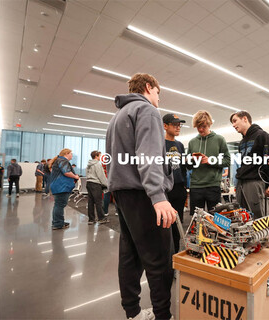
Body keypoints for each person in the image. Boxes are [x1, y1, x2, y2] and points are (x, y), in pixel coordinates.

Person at [107, 73, 176, 320]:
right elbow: (149, 157)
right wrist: (158, 196)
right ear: (149, 87)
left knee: (130, 255)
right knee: (159, 260)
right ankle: (162, 315)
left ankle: (133, 313)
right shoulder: (146, 111)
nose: (158, 97)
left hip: (123, 193)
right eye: (158, 91)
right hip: (143, 194)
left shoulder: (117, 117)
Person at [230, 110, 269, 218]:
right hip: (241, 183)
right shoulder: (241, 142)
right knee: (243, 218)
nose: (233, 125)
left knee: (256, 218)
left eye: (235, 121)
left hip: (254, 183)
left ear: (245, 119)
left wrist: (265, 184)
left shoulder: (262, 136)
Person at [187, 110, 230, 215]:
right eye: (198, 127)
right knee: (196, 220)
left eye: (204, 126)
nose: (201, 129)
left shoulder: (219, 139)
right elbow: (188, 166)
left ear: (209, 124)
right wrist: (192, 160)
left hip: (213, 185)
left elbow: (227, 161)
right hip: (196, 186)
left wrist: (210, 160)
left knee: (216, 219)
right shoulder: (192, 142)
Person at [163, 113, 187, 254]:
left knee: (177, 225)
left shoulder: (180, 145)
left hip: (179, 189)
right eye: (174, 125)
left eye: (179, 125)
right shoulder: (159, 144)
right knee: (165, 224)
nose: (178, 127)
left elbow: (183, 167)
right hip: (165, 190)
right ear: (165, 126)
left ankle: (174, 256)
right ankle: (164, 256)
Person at [49, 149, 79, 230]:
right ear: (66, 154)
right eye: (71, 154)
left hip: (59, 186)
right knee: (59, 205)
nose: (72, 156)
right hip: (62, 186)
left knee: (59, 204)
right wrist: (75, 176)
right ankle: (57, 224)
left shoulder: (59, 160)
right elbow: (66, 172)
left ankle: (58, 221)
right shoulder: (63, 161)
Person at [85, 150, 109, 225]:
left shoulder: (89, 164)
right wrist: (107, 184)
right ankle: (101, 218)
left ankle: (91, 219)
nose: (100, 157)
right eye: (100, 155)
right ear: (96, 156)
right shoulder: (97, 164)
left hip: (89, 183)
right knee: (98, 202)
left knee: (91, 202)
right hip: (95, 184)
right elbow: (101, 176)